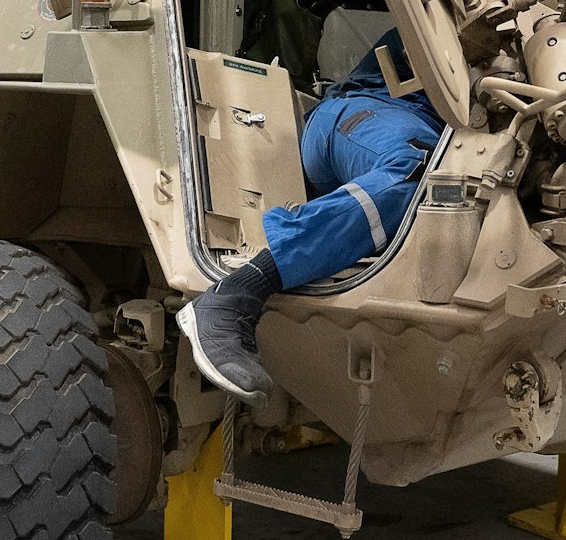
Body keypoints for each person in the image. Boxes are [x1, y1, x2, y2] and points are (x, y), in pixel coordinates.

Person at [177, 28, 442, 403]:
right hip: (363, 113)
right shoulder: (472, 3)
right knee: (421, 173)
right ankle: (236, 293)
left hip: (419, 134)